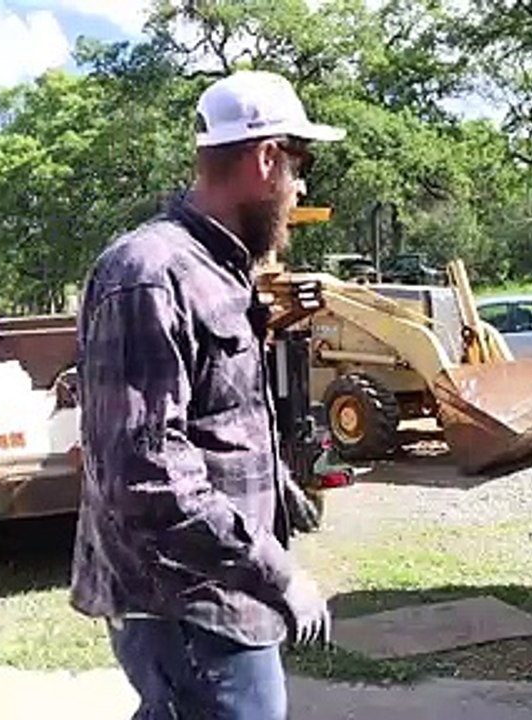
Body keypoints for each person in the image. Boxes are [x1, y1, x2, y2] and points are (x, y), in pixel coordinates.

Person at [69, 70, 346, 720]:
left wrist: (275, 482)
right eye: (298, 165)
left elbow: (214, 413)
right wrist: (278, 573)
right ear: (266, 158)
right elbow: (147, 475)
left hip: (213, 591)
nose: (301, 187)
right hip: (188, 601)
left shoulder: (216, 267)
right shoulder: (150, 277)